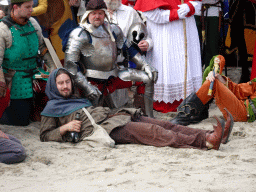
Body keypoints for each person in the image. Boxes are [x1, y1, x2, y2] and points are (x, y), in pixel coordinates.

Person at [40, 68, 234, 151]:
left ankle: (212, 135)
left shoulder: (75, 98)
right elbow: (45, 135)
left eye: (67, 82)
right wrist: (65, 128)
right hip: (104, 129)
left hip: (115, 116)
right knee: (155, 132)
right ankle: (207, 142)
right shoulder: (51, 108)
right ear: (53, 86)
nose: (65, 86)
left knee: (165, 124)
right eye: (60, 84)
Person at [64, 0, 158, 117]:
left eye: (100, 13)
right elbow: (70, 65)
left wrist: (145, 65)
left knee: (148, 78)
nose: (97, 16)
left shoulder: (113, 30)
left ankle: (148, 116)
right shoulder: (79, 34)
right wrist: (87, 87)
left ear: (105, 14)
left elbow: (129, 49)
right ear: (87, 14)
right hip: (92, 80)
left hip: (114, 74)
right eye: (94, 13)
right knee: (95, 116)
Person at [134, 0, 203, 113]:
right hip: (164, 32)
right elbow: (153, 14)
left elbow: (198, 3)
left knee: (187, 63)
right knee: (168, 64)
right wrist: (176, 14)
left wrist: (189, 6)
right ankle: (167, 102)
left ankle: (188, 98)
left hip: (187, 29)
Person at [0, 0, 56, 126]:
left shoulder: (33, 23)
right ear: (15, 7)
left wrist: (53, 67)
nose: (32, 9)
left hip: (35, 76)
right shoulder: (3, 29)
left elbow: (42, 48)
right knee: (21, 121)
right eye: (28, 7)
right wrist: (2, 85)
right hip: (15, 81)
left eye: (32, 6)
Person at [171, 54, 255, 126]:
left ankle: (185, 115)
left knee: (214, 82)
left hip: (244, 113)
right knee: (216, 64)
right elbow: (239, 90)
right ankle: (191, 113)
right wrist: (218, 77)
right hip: (241, 106)